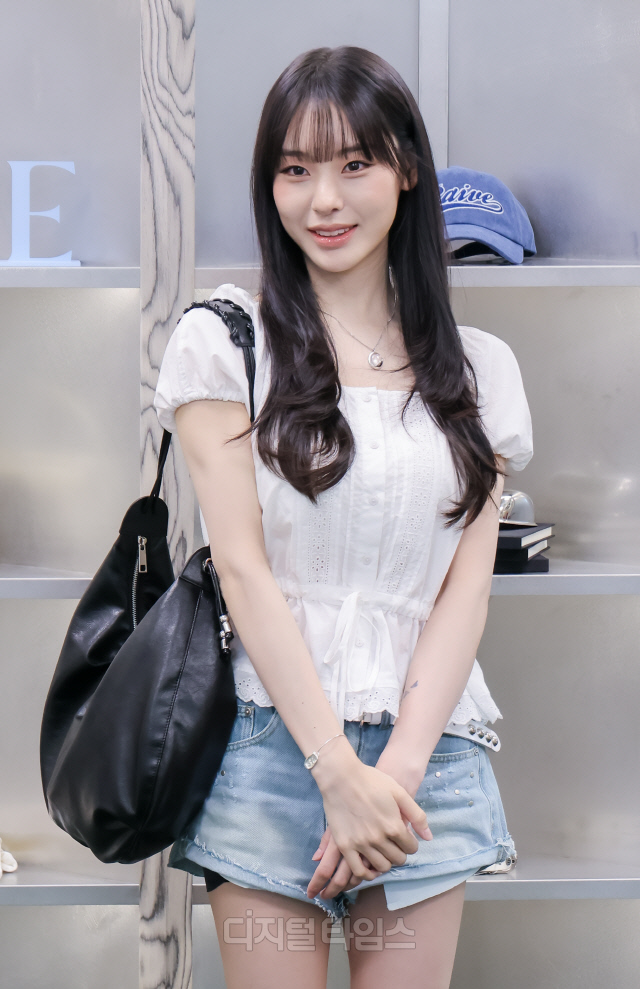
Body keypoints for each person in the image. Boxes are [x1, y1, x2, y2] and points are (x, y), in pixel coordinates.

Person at [154, 45, 532, 989]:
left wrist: (390, 780)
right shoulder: (225, 343)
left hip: (426, 763)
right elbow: (242, 571)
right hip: (270, 749)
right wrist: (335, 771)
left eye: (354, 163)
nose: (323, 199)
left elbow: (464, 594)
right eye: (295, 169)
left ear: (407, 170)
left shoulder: (480, 371)